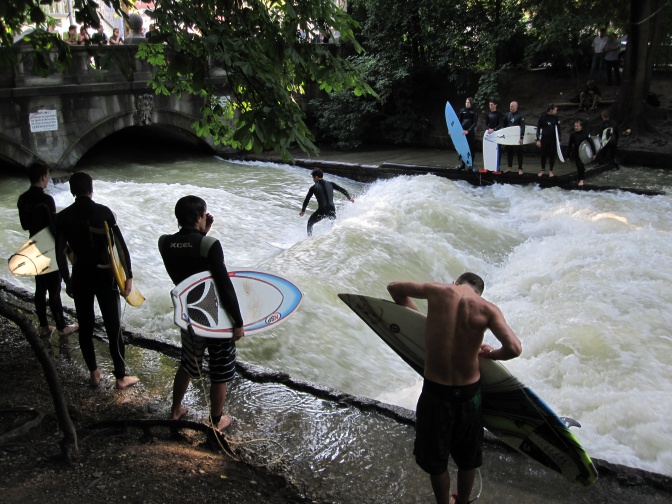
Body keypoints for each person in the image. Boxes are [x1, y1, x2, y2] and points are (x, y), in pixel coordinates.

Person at [387, 273, 522, 504]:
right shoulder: (487, 309)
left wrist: (418, 321)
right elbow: (514, 348)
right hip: (469, 394)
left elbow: (394, 287)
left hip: (435, 392)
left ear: (456, 283)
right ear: (478, 292)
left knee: (435, 457)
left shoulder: (437, 291)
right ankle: (462, 501)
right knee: (468, 458)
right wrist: (491, 353)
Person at [158, 196, 245, 431]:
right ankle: (216, 422)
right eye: (204, 213)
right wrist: (238, 321)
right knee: (221, 369)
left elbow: (190, 266)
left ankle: (175, 410)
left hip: (188, 315)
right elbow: (223, 285)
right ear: (199, 216)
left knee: (188, 363)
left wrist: (201, 233)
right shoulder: (210, 245)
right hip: (214, 317)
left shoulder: (164, 243)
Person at [55, 172, 139, 389]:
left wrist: (67, 280)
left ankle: (94, 373)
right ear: (91, 189)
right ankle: (121, 377)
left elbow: (60, 252)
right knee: (113, 326)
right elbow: (120, 246)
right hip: (105, 275)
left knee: (85, 325)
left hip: (81, 274)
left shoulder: (63, 217)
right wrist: (128, 276)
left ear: (72, 190)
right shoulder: (103, 212)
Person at [17, 162, 78, 339]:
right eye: (48, 176)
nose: (48, 179)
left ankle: (44, 326)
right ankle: (62, 327)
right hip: (49, 247)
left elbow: (24, 225)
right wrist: (66, 248)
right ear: (43, 177)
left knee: (40, 287)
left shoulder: (22, 199)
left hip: (34, 244)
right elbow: (52, 228)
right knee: (54, 290)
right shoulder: (46, 200)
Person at [299, 169, 354, 236]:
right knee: (333, 226)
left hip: (322, 210)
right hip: (332, 209)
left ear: (316, 177)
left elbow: (307, 199)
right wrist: (349, 198)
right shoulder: (331, 184)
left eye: (313, 178)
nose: (313, 180)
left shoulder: (313, 187)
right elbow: (342, 190)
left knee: (310, 223)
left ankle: (309, 240)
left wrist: (303, 210)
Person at [535, 103, 561, 177]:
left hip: (553, 140)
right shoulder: (542, 118)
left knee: (552, 155)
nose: (556, 112)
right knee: (543, 154)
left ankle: (551, 171)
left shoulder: (556, 118)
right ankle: (542, 170)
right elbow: (538, 129)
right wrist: (537, 140)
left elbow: (558, 129)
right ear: (550, 110)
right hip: (544, 139)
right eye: (555, 110)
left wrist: (559, 139)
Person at [567, 120, 593, 187]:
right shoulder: (573, 135)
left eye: (577, 126)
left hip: (584, 152)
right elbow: (569, 146)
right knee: (579, 166)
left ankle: (581, 180)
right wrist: (568, 156)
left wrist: (594, 153)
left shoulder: (585, 134)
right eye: (575, 126)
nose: (576, 127)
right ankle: (581, 175)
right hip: (576, 152)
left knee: (580, 166)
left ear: (581, 127)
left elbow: (591, 143)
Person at [480, 100, 504, 173]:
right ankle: (488, 166)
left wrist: (494, 129)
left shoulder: (499, 114)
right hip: (489, 133)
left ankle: (497, 167)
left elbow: (501, 124)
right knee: (488, 150)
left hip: (496, 134)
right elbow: (485, 124)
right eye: (489, 105)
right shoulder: (488, 114)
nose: (490, 106)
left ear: (495, 105)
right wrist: (488, 129)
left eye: (492, 105)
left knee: (497, 150)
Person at [503, 100, 526, 175]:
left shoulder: (520, 115)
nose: (510, 107)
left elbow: (522, 127)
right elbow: (504, 126)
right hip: (509, 137)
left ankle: (520, 168)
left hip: (517, 137)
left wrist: (521, 137)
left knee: (519, 152)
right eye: (510, 106)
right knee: (509, 152)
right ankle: (509, 167)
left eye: (512, 106)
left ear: (516, 106)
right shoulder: (507, 115)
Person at [457, 97, 478, 170]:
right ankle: (462, 164)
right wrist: (454, 131)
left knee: (471, 148)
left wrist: (468, 130)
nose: (467, 104)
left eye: (468, 102)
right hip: (463, 132)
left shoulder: (474, 111)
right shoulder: (462, 111)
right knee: (463, 148)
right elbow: (458, 122)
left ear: (471, 103)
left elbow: (474, 123)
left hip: (470, 132)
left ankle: (471, 164)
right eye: (466, 102)